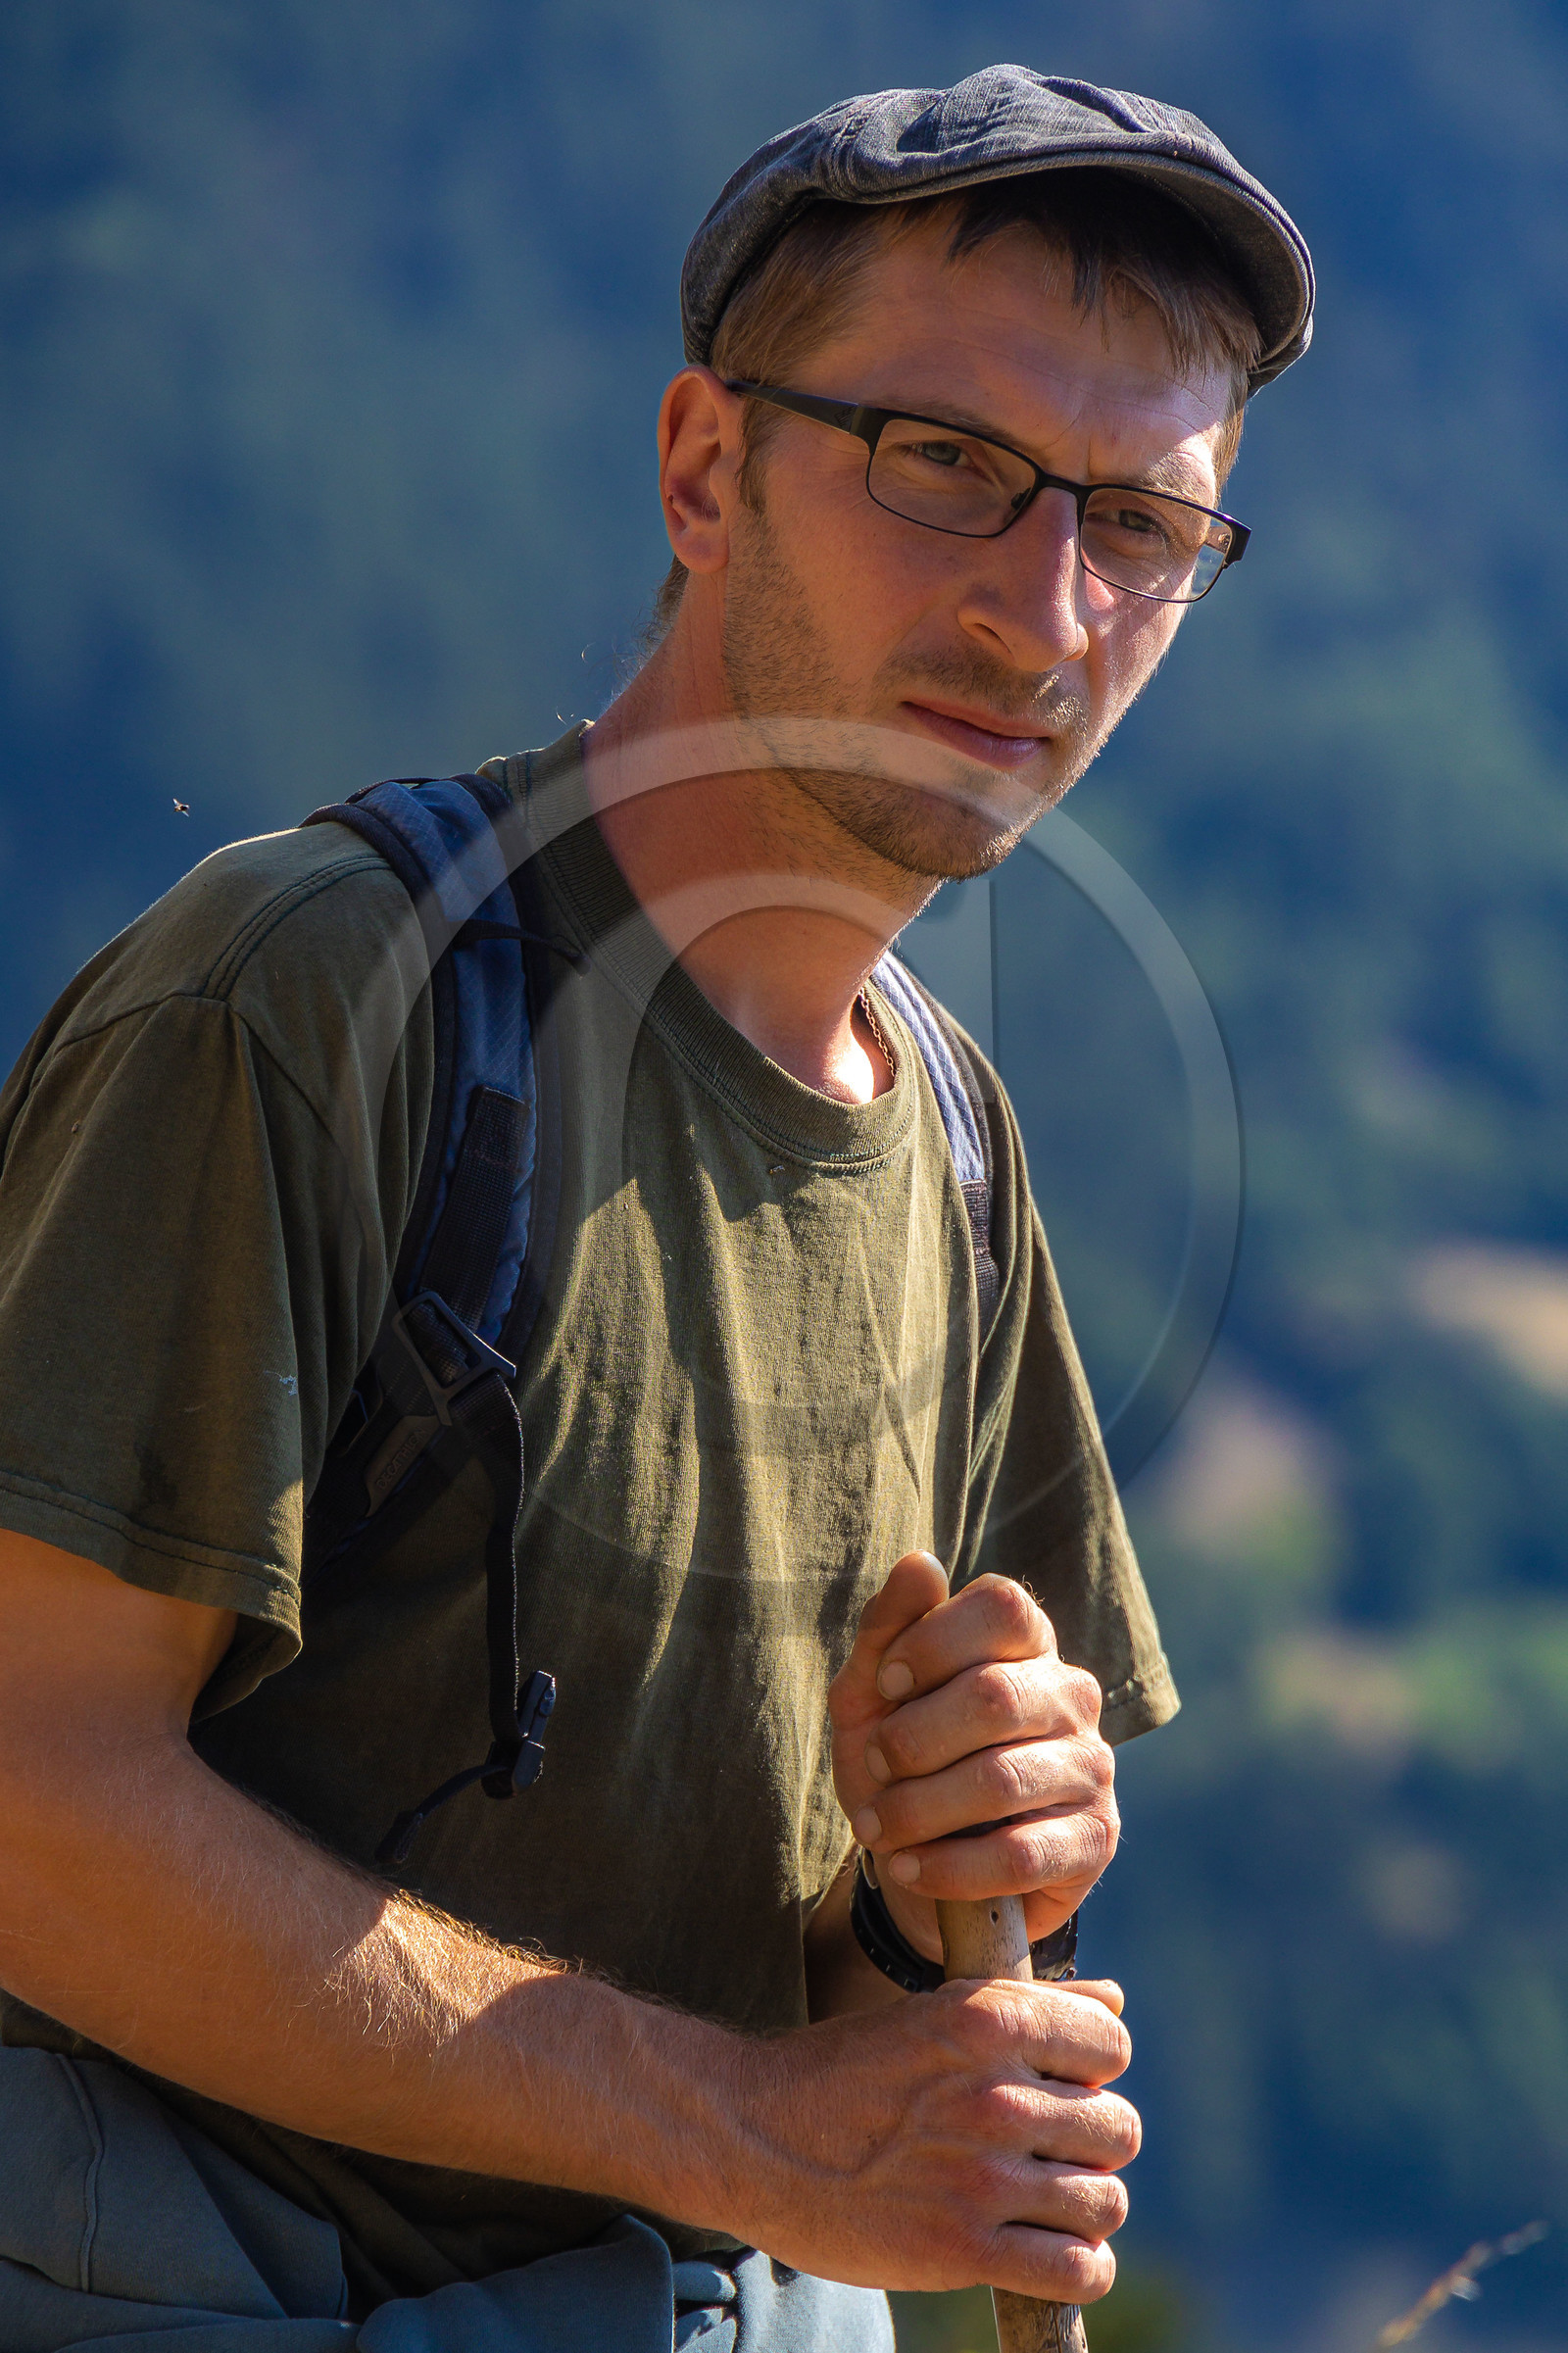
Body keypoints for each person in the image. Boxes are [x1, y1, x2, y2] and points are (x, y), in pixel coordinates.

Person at [0, 66, 1312, 2353]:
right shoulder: (315, 993)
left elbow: (819, 2015)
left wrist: (912, 1907)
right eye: (947, 463)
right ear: (706, 469)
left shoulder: (954, 1151)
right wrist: (754, 2135)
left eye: (1138, 522)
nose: (1044, 612)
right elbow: (29, 1795)